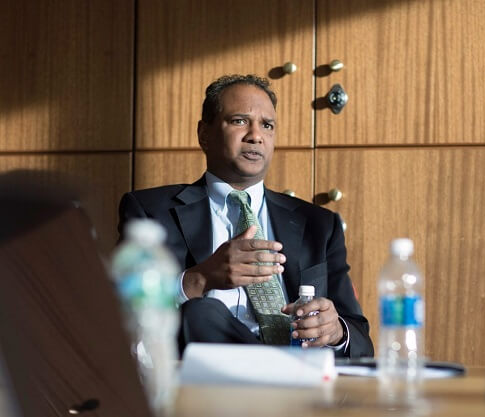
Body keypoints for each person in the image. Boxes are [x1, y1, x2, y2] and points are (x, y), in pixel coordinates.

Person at [117, 74, 373, 358]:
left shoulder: (319, 225)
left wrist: (336, 331)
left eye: (267, 125)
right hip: (207, 382)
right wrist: (200, 279)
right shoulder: (151, 211)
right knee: (202, 312)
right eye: (239, 121)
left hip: (300, 380)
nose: (256, 135)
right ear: (204, 134)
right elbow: (116, 315)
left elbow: (360, 338)